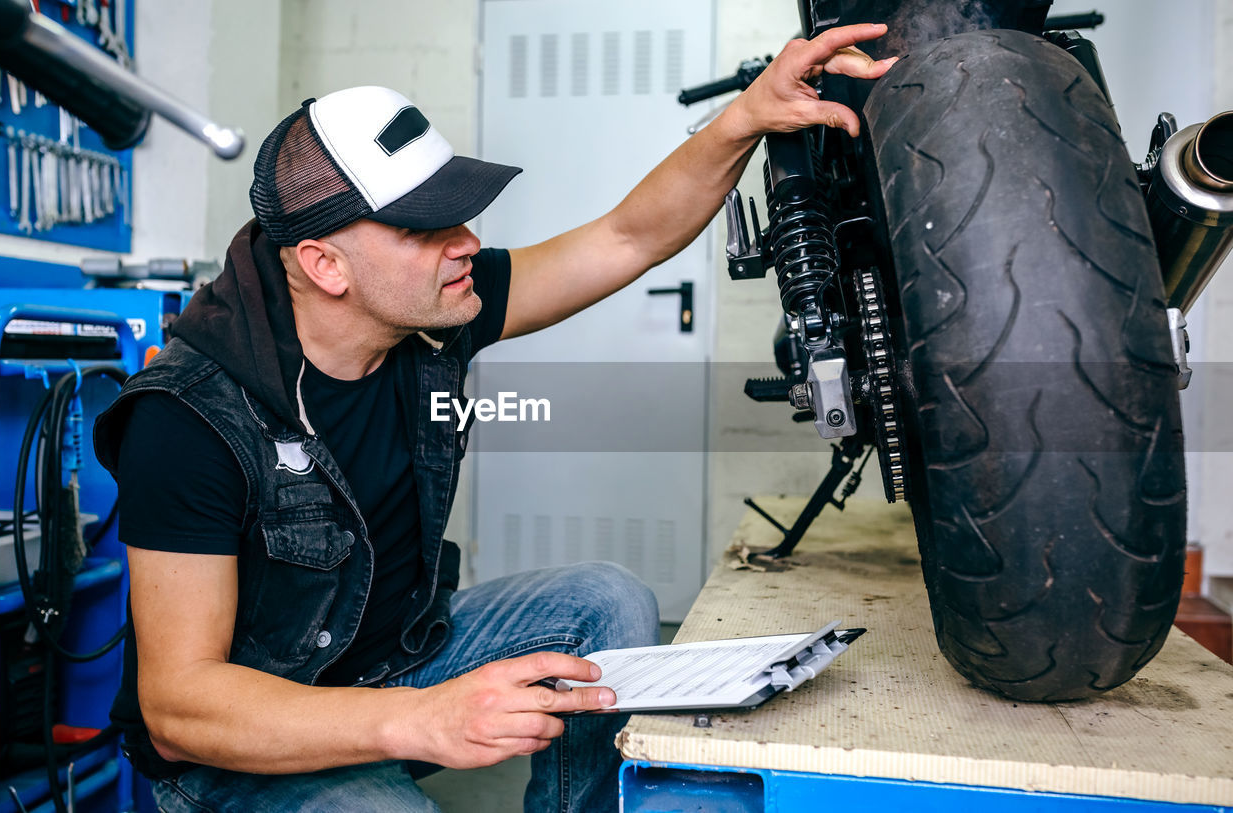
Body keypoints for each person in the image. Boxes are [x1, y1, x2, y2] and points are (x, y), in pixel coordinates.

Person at [92, 23, 894, 813]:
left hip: (392, 663)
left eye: (461, 212)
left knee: (605, 603)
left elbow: (627, 236)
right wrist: (422, 719)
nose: (469, 241)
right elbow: (181, 706)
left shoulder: (430, 312)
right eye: (425, 227)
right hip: (241, 743)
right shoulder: (188, 416)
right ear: (324, 264)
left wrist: (745, 118)